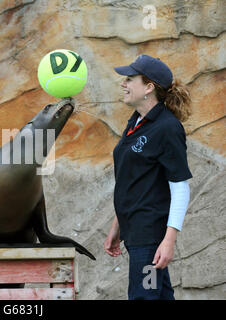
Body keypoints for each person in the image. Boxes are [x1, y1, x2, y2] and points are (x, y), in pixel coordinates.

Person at [104, 54, 192, 300]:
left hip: (150, 239)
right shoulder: (137, 122)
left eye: (130, 79)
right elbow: (133, 180)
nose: (123, 83)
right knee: (157, 295)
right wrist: (117, 226)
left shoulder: (167, 128)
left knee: (145, 296)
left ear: (149, 88)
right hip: (134, 233)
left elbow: (180, 188)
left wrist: (168, 241)